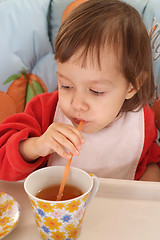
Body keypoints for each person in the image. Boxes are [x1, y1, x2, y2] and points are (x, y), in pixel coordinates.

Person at [0, 0, 160, 181]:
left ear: (132, 86)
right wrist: (36, 145)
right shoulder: (44, 111)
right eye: (66, 86)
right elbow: (2, 159)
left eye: (96, 91)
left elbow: (148, 163)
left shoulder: (140, 122)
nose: (77, 103)